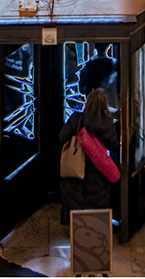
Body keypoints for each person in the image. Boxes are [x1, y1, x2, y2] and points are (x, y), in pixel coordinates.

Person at [58, 85, 120, 216]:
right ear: (105, 105)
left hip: (76, 175)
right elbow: (114, 146)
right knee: (95, 215)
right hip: (98, 179)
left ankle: (77, 233)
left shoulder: (77, 118)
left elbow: (61, 138)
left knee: (77, 208)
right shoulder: (107, 125)